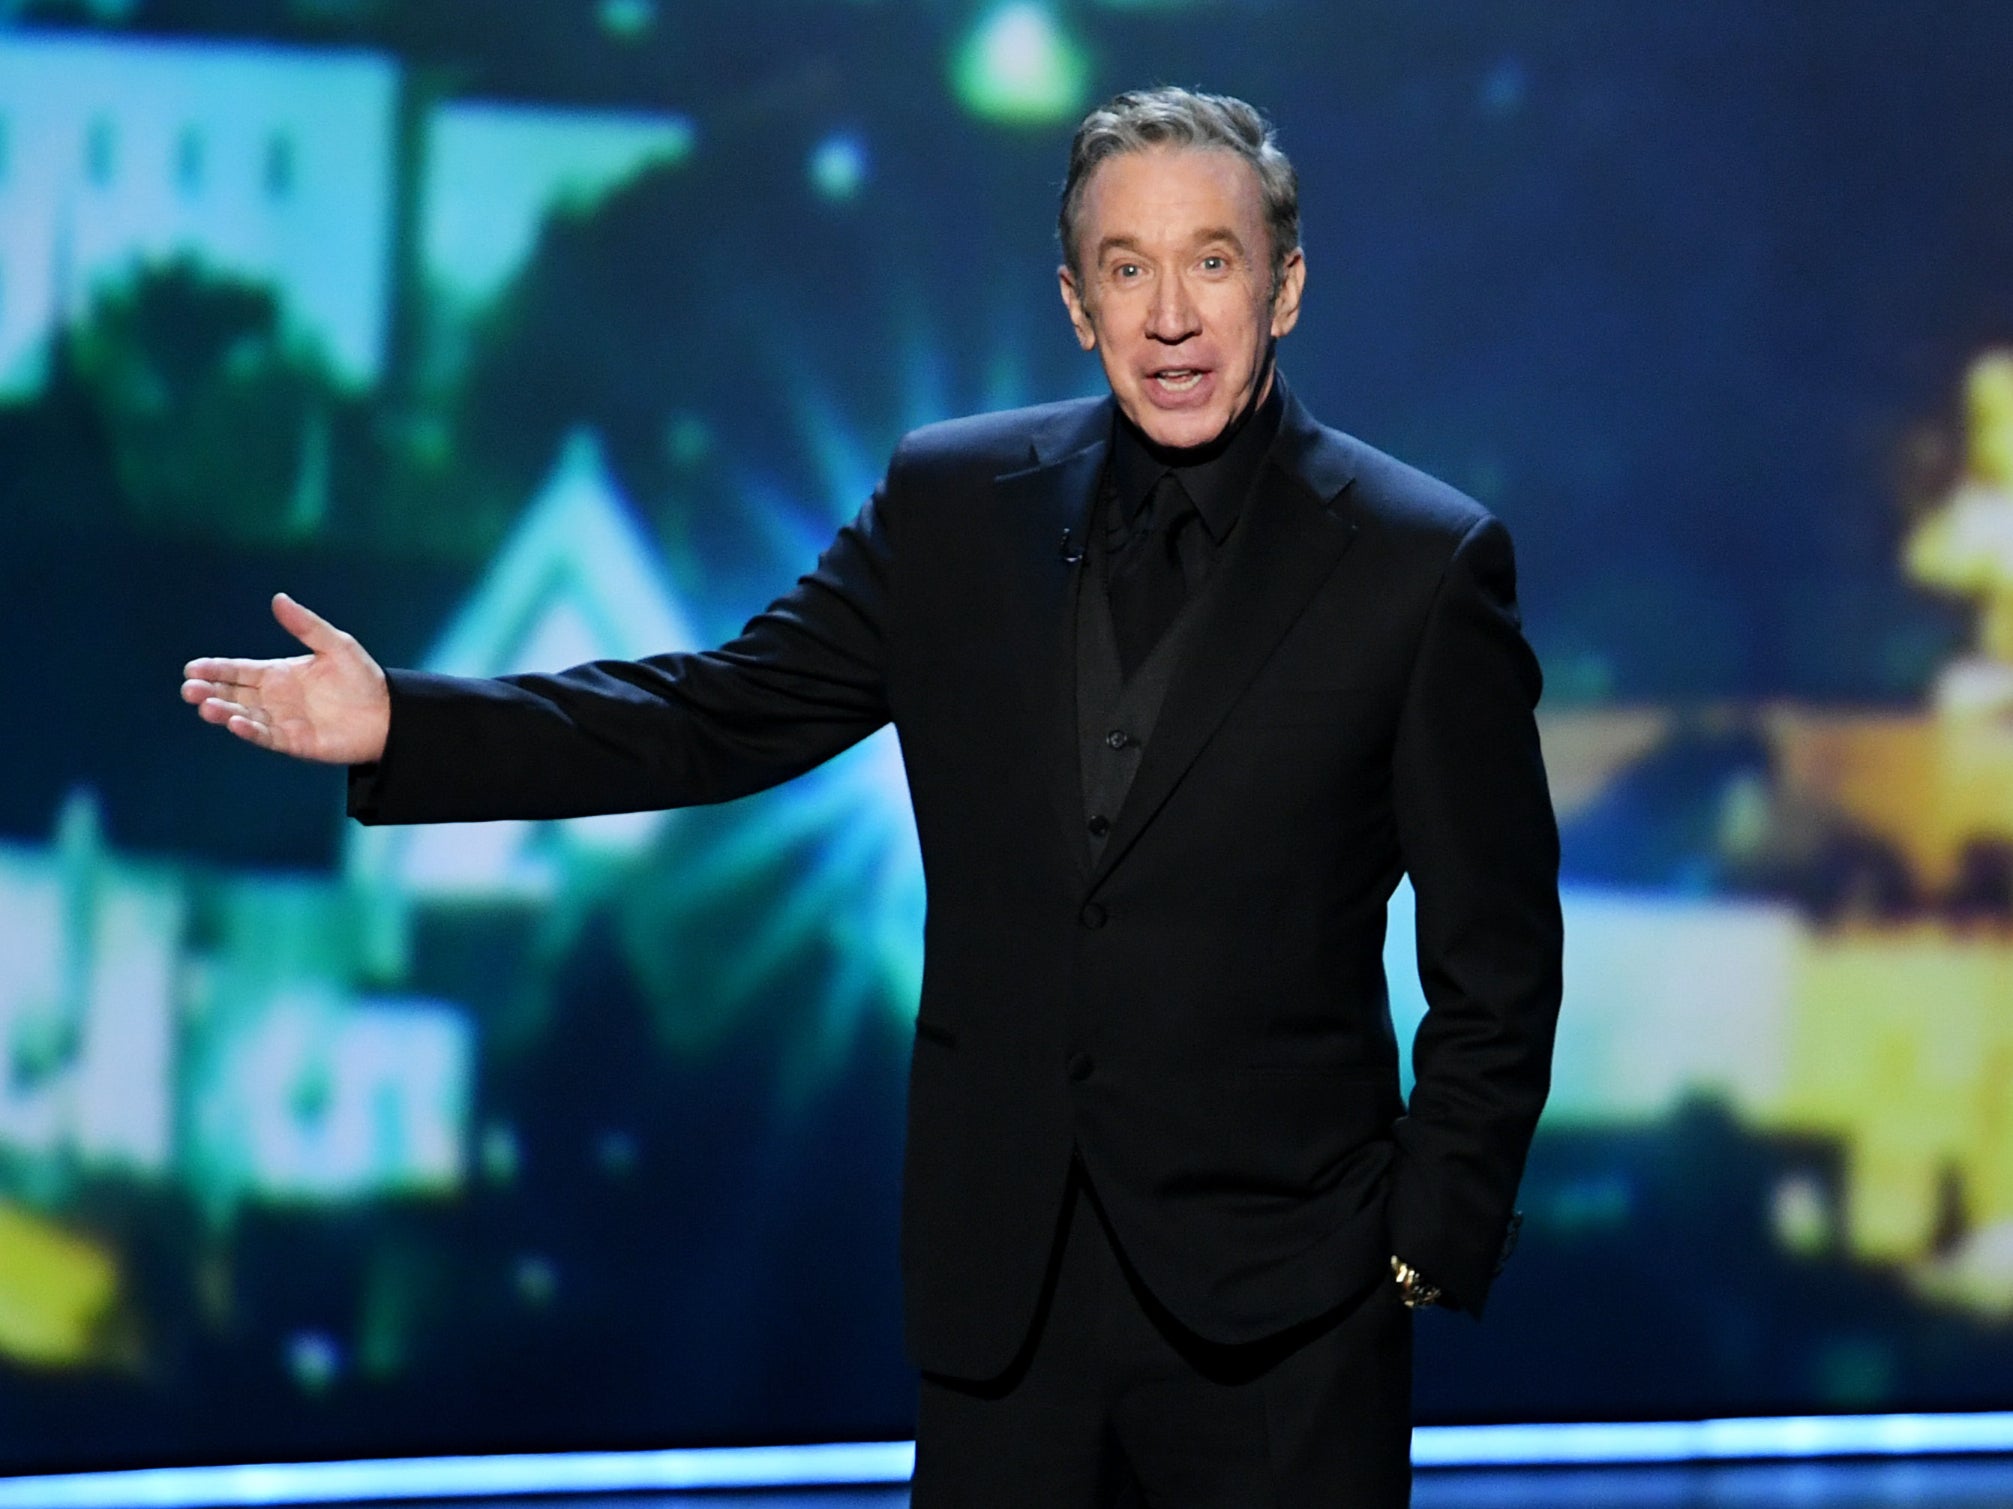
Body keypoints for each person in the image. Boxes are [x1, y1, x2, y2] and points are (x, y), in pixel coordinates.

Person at [183, 87, 1562, 1508]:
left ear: (1282, 286)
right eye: (1126, 267)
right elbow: (714, 714)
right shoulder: (958, 505)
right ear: (1076, 305)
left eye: (1210, 261)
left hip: (1288, 1321)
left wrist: (1415, 1246)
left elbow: (1498, 956)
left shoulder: (1419, 562)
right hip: (999, 1305)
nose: (1169, 314)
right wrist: (404, 723)